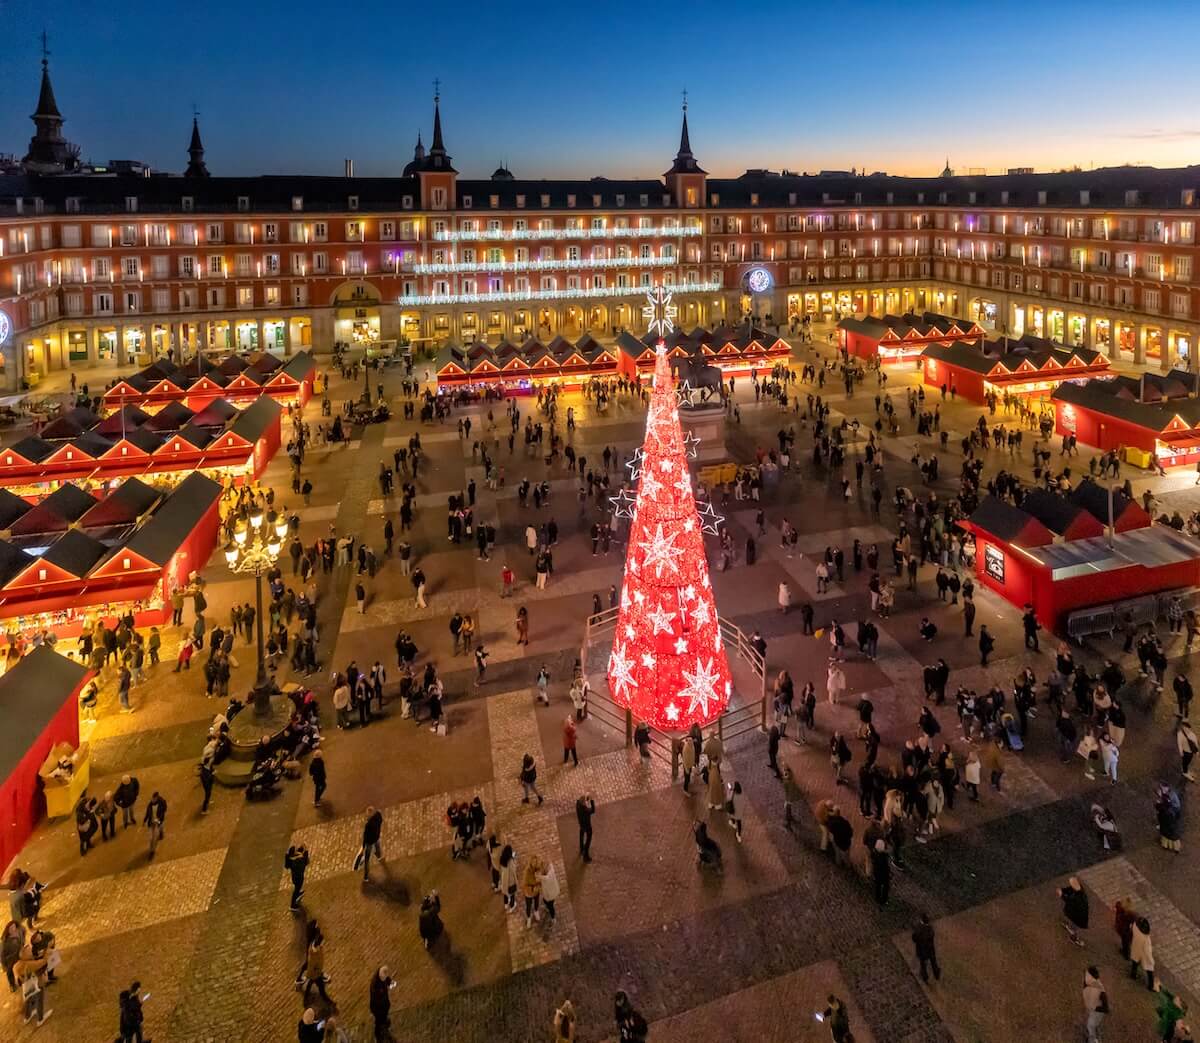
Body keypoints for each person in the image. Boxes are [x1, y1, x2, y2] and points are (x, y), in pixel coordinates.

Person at [353, 806, 385, 881]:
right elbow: (381, 821)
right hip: (376, 837)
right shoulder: (378, 815)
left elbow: (365, 837)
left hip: (369, 843)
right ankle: (380, 857)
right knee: (377, 847)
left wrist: (363, 847)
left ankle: (366, 877)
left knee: (367, 860)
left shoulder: (368, 825)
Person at [1059, 876, 1089, 946]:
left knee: (1074, 927)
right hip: (1075, 914)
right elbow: (1069, 890)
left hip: (1078, 916)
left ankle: (1073, 938)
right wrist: (1062, 891)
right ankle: (1071, 932)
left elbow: (1069, 901)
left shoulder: (1078, 897)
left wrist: (1061, 895)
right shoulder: (1078, 889)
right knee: (1073, 925)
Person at [1082, 966, 1109, 1043]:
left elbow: (1106, 1009)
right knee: (1092, 1025)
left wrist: (1094, 1008)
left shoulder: (1101, 991)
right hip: (1094, 1010)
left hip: (1097, 1012)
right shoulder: (1089, 984)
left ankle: (1093, 1040)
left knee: (1091, 1026)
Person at [912, 912, 941, 983]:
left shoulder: (918, 928)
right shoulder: (930, 929)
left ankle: (925, 977)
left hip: (922, 950)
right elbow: (931, 936)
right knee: (933, 962)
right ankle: (936, 973)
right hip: (930, 949)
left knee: (923, 964)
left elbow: (914, 938)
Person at [369, 965, 395, 1042]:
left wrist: (391, 984)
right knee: (378, 1021)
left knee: (383, 1017)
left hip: (384, 1005)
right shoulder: (374, 985)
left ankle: (384, 1025)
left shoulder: (383, 976)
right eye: (383, 979)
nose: (384, 981)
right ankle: (378, 1036)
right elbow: (376, 999)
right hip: (377, 1008)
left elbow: (389, 982)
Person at [1130, 916, 1156, 991]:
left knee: (1135, 962)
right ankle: (1151, 986)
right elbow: (1147, 952)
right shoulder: (1146, 938)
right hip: (1144, 954)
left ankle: (1133, 975)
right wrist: (1152, 961)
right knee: (1149, 971)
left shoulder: (1135, 926)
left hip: (1136, 946)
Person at [285, 844, 310, 910]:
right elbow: (306, 861)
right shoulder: (299, 860)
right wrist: (306, 850)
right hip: (299, 878)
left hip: (295, 877)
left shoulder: (290, 860)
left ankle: (298, 894)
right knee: (296, 889)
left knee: (297, 888)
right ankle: (292, 905)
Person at [143, 790, 167, 860]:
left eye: (154, 799)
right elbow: (147, 813)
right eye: (152, 799)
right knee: (151, 838)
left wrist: (159, 819)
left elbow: (164, 810)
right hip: (151, 822)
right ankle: (152, 851)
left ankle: (161, 833)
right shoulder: (150, 805)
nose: (152, 800)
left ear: (156, 798)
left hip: (158, 821)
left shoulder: (162, 802)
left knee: (160, 827)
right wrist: (145, 820)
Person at [576, 794, 595, 862]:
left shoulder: (577, 804)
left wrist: (587, 799)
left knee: (581, 834)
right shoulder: (586, 810)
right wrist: (592, 801)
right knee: (588, 840)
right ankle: (585, 855)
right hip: (587, 826)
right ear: (584, 804)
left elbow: (580, 801)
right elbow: (593, 810)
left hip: (581, 824)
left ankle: (581, 848)